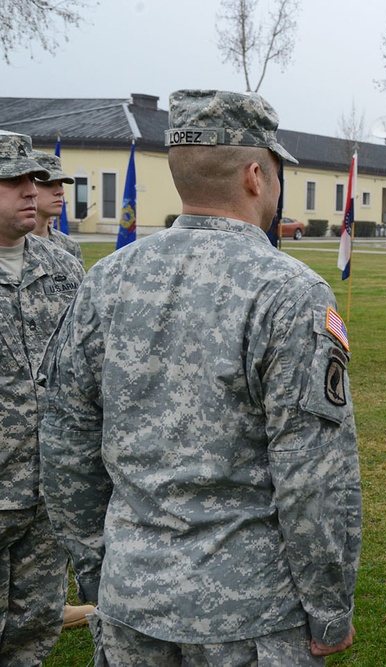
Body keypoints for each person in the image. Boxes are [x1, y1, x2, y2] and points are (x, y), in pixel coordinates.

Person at [38, 89, 362, 666]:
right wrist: (330, 607)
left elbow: (65, 445)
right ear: (257, 176)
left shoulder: (106, 281)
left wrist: (101, 570)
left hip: (131, 599)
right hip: (249, 619)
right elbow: (313, 478)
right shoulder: (290, 293)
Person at [0, 130, 85, 664]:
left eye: (34, 178)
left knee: (33, 629)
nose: (32, 190)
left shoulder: (63, 268)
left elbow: (83, 374)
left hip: (47, 491)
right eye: (13, 181)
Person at [29, 150, 84, 265]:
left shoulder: (69, 246)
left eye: (60, 184)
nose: (60, 192)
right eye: (48, 184)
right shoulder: (10, 244)